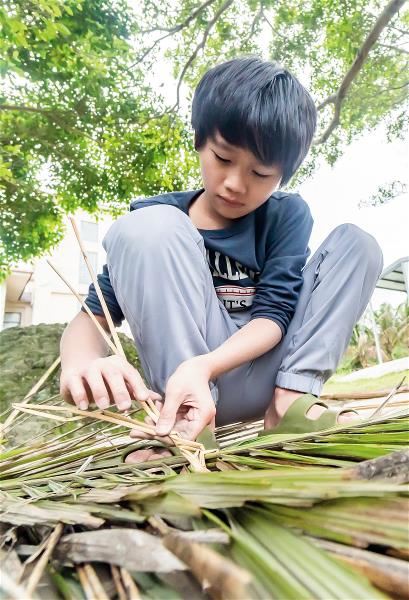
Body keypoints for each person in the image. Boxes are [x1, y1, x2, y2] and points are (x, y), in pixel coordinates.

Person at [60, 57, 383, 460]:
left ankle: (291, 406)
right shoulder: (158, 226)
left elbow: (274, 315)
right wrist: (80, 363)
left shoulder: (285, 215)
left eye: (261, 173)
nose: (235, 184)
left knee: (358, 244)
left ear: (283, 175)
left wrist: (208, 365)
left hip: (270, 373)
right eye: (224, 158)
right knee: (146, 226)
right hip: (185, 384)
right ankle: (186, 424)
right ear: (200, 140)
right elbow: (91, 319)